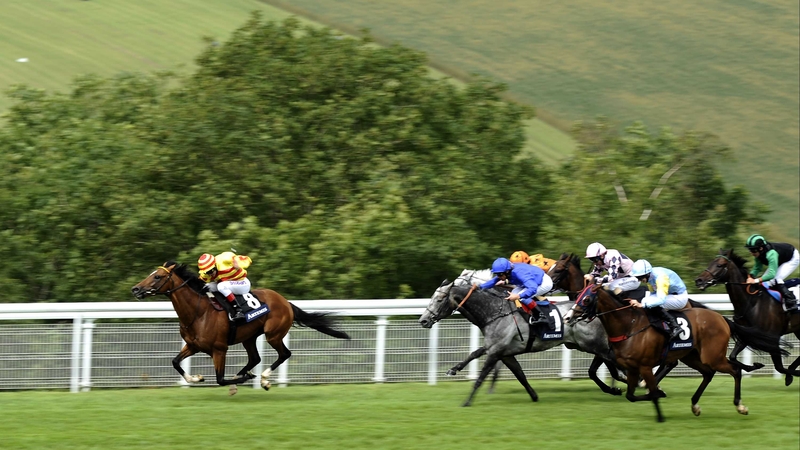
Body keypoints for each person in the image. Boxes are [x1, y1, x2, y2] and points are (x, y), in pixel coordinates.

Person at [627, 259, 687, 340]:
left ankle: (675, 326)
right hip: (669, 296)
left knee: (648, 303)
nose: (639, 280)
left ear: (647, 274)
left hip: (679, 297)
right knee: (645, 300)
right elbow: (653, 294)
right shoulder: (650, 278)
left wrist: (642, 305)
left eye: (640, 277)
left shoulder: (661, 277)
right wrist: (644, 303)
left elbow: (661, 300)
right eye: (637, 277)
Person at [479, 257, 553, 323]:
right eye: (497, 274)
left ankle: (540, 315)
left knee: (522, 297)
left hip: (544, 283)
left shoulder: (519, 273)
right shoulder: (507, 271)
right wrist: (479, 287)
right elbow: (493, 281)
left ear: (507, 272)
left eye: (500, 275)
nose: (498, 277)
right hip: (532, 282)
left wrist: (518, 296)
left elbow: (533, 288)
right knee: (513, 293)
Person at [744, 234, 799, 311]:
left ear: (761, 248)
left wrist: (755, 280)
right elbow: (757, 268)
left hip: (792, 258)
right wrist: (750, 276)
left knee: (776, 279)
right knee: (765, 283)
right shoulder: (759, 253)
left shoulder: (771, 254)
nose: (751, 253)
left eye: (753, 250)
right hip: (781, 258)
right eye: (750, 250)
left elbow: (771, 275)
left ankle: (791, 301)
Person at [198, 251, 253, 320]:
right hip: (227, 284)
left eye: (211, 271)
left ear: (215, 265)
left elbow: (248, 259)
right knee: (206, 287)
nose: (210, 274)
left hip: (242, 283)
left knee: (221, 286)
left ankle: (238, 310)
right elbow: (199, 282)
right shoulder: (206, 273)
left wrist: (239, 263)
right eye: (207, 272)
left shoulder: (225, 259)